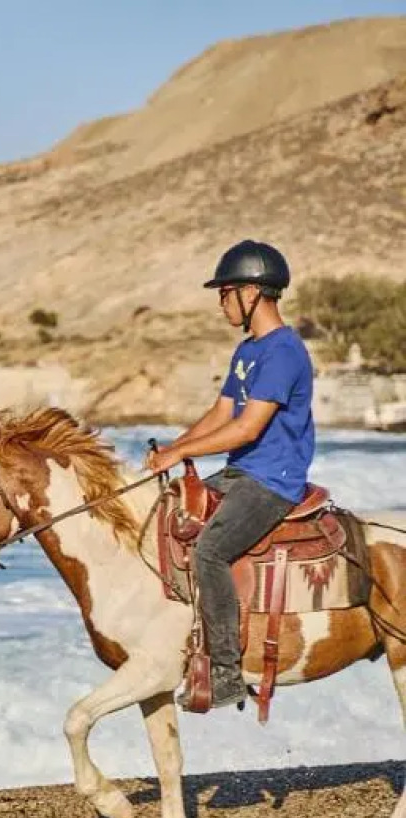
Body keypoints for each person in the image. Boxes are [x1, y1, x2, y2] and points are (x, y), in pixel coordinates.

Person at [145, 240, 315, 708]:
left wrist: (177, 455)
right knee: (166, 514)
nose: (220, 301)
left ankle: (224, 672)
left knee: (210, 551)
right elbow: (221, 413)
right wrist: (175, 448)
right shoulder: (248, 350)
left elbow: (246, 428)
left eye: (225, 292)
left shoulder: (283, 352)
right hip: (241, 473)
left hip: (273, 481)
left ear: (251, 293)